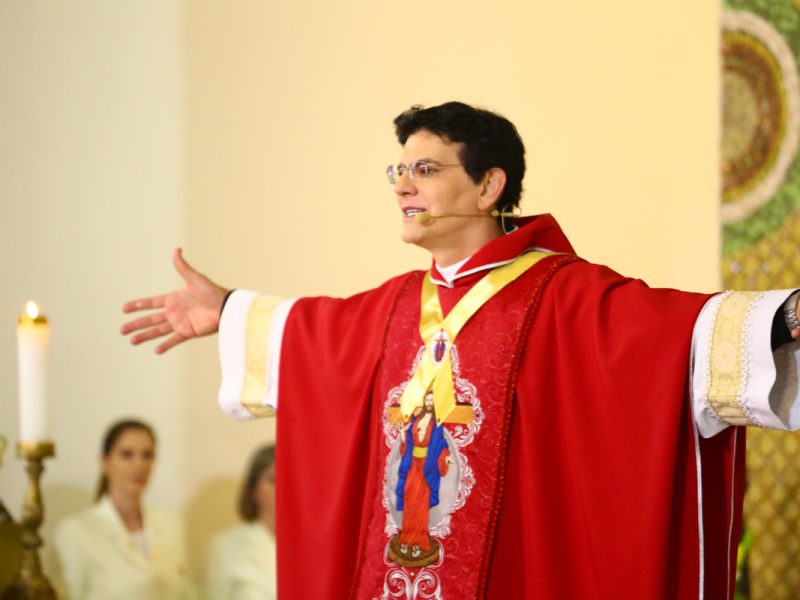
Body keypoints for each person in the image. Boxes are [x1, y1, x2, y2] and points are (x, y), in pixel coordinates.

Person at [120, 101, 800, 599]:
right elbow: (306, 335)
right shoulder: (390, 307)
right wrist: (229, 309)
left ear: (489, 186)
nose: (402, 184)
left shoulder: (560, 298)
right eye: (399, 168)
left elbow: (672, 333)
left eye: (425, 168)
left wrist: (782, 318)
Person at [52, 419, 192, 600]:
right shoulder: (75, 532)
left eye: (147, 455)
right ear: (104, 461)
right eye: (127, 454)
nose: (139, 465)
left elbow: (186, 592)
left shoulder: (172, 526)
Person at [206, 445, 277, 600]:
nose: (283, 488)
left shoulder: (310, 545)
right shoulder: (227, 545)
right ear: (253, 489)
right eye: (274, 479)